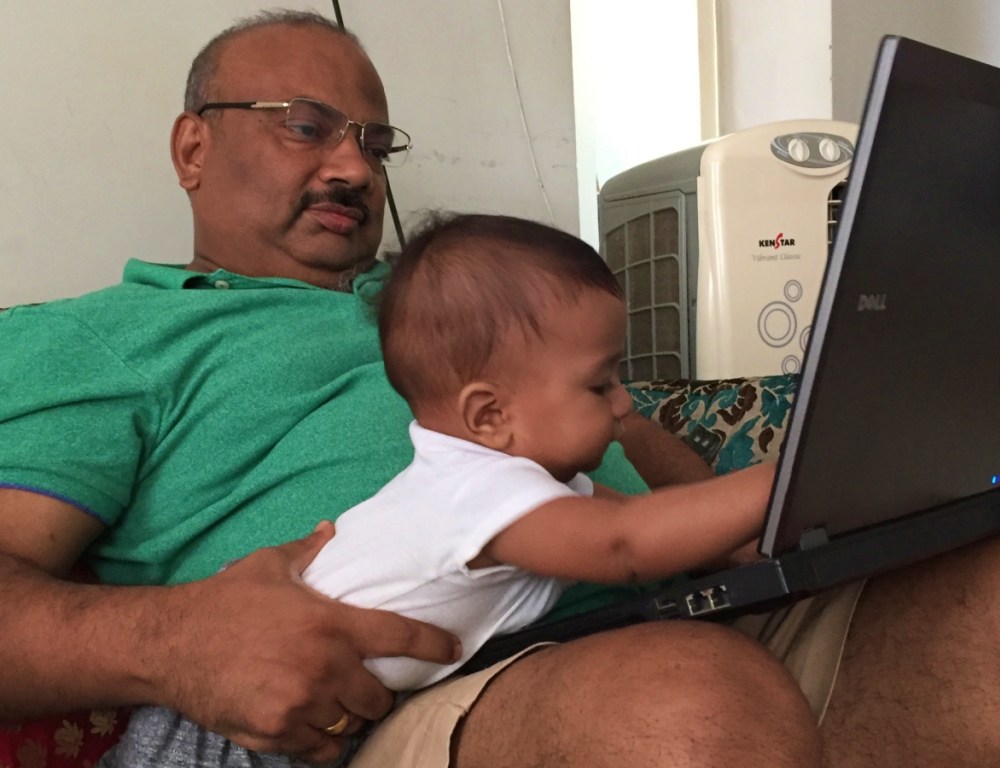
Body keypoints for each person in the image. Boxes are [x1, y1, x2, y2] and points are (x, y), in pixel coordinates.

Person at [1, 9, 1000, 768]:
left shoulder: (465, 310)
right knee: (683, 704)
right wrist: (175, 642)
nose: (355, 168)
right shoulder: (103, 338)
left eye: (373, 141)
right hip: (438, 686)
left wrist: (805, 484)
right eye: (305, 127)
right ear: (192, 146)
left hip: (693, 610)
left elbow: (657, 504)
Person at [100, 211, 779, 766]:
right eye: (600, 384)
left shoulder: (523, 480)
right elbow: (627, 545)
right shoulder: (480, 494)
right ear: (491, 416)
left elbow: (647, 519)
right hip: (225, 744)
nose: (625, 405)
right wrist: (776, 477)